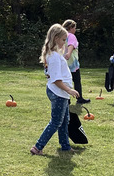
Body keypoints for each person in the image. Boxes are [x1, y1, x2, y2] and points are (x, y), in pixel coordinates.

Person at [30, 23, 80, 156]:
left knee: (64, 121)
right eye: (63, 40)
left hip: (59, 92)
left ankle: (65, 146)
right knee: (56, 121)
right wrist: (70, 90)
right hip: (59, 93)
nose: (65, 43)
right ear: (56, 38)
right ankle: (38, 147)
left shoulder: (52, 55)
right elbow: (56, 80)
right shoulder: (55, 57)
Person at [62, 19, 89, 104]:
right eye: (74, 28)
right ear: (70, 28)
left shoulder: (61, 36)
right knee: (76, 80)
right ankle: (79, 98)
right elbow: (71, 45)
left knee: (65, 81)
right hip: (72, 63)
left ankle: (67, 99)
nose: (75, 30)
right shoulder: (71, 36)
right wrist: (69, 53)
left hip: (63, 62)